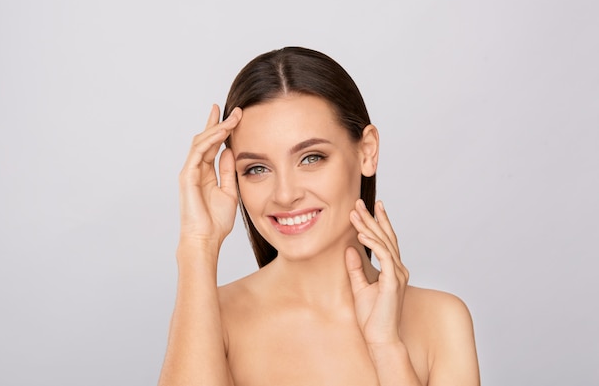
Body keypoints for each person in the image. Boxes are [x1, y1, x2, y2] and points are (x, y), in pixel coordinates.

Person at [158, 47, 480, 386]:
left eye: (311, 158)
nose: (285, 194)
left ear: (367, 151)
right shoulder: (211, 318)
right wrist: (198, 244)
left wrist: (387, 348)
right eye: (256, 168)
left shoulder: (441, 320)